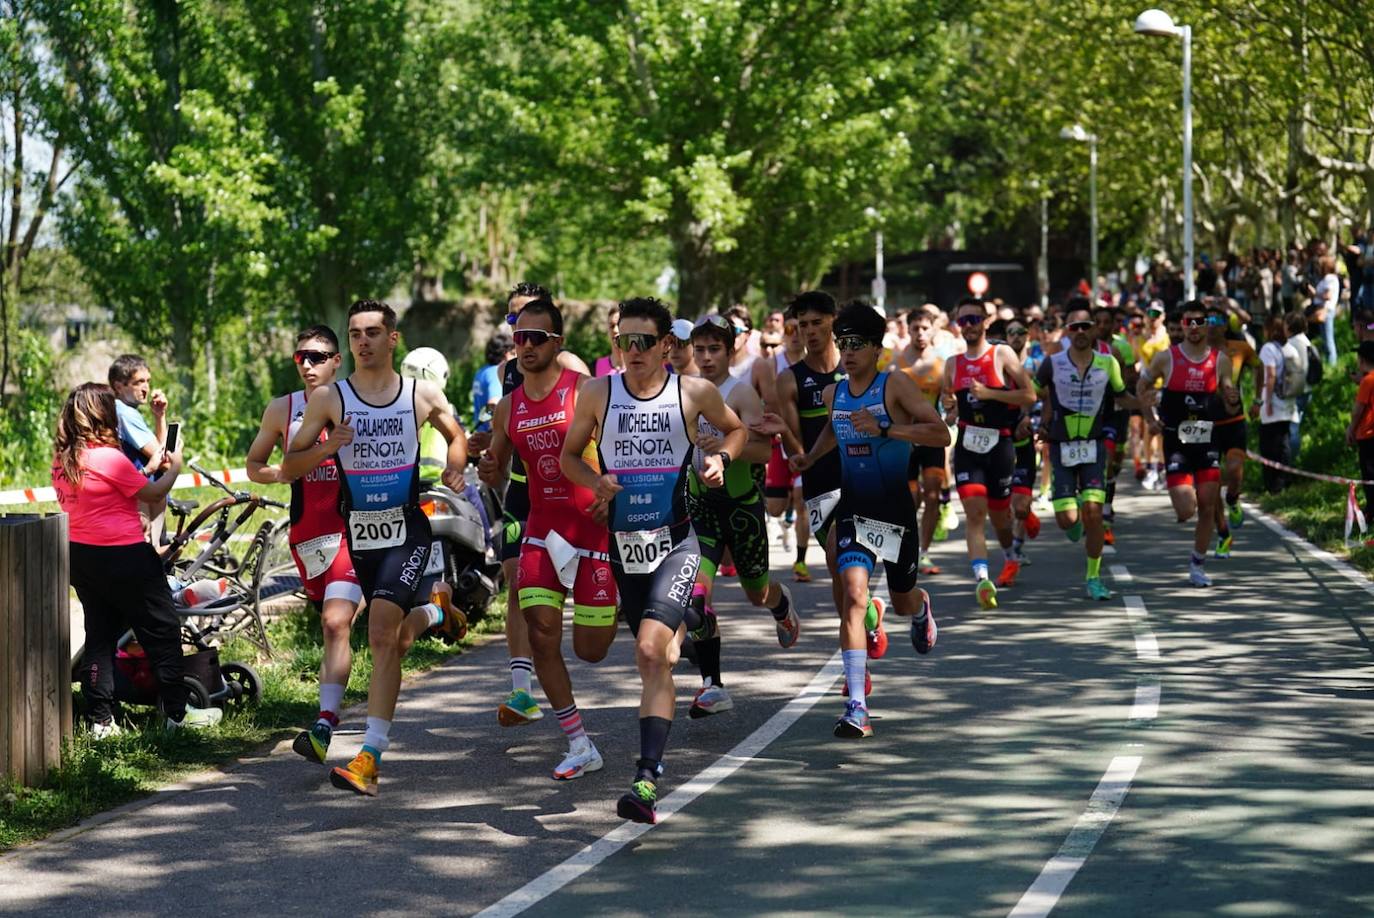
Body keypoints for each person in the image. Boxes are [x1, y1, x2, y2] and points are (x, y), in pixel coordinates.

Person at [560, 296, 748, 825]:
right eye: (623, 340)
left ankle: (645, 780)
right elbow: (568, 457)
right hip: (626, 547)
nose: (631, 351)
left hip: (678, 542)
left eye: (643, 342)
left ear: (667, 346)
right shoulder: (599, 392)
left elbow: (737, 430)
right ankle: (697, 619)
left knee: (648, 652)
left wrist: (720, 458)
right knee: (662, 657)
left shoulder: (693, 392)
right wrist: (594, 479)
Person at [284, 299, 468, 797]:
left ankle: (369, 757)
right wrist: (327, 446)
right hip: (359, 536)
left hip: (408, 531)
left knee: (383, 635)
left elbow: (457, 435)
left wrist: (455, 465)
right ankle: (435, 613)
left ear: (393, 339)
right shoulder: (329, 400)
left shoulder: (420, 395)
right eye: (354, 333)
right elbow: (289, 467)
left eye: (372, 332)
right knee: (395, 639)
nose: (362, 341)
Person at [792, 302, 946, 738]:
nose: (848, 351)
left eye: (857, 343)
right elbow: (831, 430)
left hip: (896, 513)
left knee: (900, 600)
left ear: (877, 348)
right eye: (843, 343)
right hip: (855, 512)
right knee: (854, 598)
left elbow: (940, 433)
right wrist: (809, 456)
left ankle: (920, 608)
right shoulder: (833, 393)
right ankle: (856, 705)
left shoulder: (894, 385)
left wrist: (886, 430)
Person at [479, 298, 618, 780]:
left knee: (592, 650)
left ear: (558, 343)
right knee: (541, 635)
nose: (527, 346)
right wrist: (489, 467)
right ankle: (579, 743)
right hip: (542, 529)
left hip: (592, 529)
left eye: (538, 338)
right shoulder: (507, 407)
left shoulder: (587, 391)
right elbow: (496, 469)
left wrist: (611, 493)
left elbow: (623, 451)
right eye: (520, 337)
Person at [53, 383, 221, 735]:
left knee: (99, 635)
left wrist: (146, 468)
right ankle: (177, 714)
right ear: (104, 414)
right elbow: (156, 491)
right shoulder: (108, 457)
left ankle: (100, 720)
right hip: (125, 555)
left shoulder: (65, 460)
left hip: (82, 556)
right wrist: (173, 466)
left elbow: (113, 488)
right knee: (162, 630)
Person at [469, 283, 591, 728]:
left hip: (578, 499)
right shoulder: (508, 374)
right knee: (516, 576)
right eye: (513, 327)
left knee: (592, 631)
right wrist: (489, 451)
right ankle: (522, 690)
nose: (522, 339)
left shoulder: (575, 372)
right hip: (525, 490)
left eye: (531, 329)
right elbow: (507, 428)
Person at [245, 326, 364, 763]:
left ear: (337, 360)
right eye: (301, 358)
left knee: (336, 622)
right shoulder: (283, 408)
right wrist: (286, 471)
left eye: (318, 357)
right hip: (307, 536)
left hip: (355, 532)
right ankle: (436, 609)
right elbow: (255, 464)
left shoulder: (357, 402)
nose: (308, 366)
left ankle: (323, 724)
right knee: (331, 623)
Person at [681, 315, 801, 718]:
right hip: (701, 510)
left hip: (741, 509)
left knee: (756, 593)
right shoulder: (683, 391)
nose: (706, 357)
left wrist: (726, 448)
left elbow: (765, 453)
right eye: (699, 349)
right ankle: (713, 686)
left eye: (714, 349)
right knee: (694, 599)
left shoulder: (742, 393)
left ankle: (780, 603)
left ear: (730, 350)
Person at [760, 291, 886, 660]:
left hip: (865, 478)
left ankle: (855, 659)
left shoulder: (857, 368)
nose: (809, 332)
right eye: (803, 324)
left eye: (817, 322)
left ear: (834, 321)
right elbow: (796, 446)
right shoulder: (789, 380)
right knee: (838, 570)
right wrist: (795, 451)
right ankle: (864, 626)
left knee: (844, 560)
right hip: (820, 484)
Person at [942, 296, 1037, 609]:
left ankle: (1010, 554)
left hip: (1001, 443)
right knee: (974, 513)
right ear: (958, 326)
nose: (968, 326)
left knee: (1000, 517)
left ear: (984, 322)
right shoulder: (952, 364)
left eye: (974, 320)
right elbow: (949, 404)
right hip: (969, 444)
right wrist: (951, 410)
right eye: (963, 321)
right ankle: (982, 577)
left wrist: (990, 393)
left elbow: (1029, 393)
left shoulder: (1001, 353)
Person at [1138, 301, 1240, 587]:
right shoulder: (1165, 358)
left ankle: (1197, 564)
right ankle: (1194, 532)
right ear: (1181, 325)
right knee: (1187, 509)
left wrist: (1232, 398)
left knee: (1208, 504)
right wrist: (1150, 418)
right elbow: (1141, 387)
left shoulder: (1219, 360)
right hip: (1176, 442)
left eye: (1199, 322)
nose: (1194, 328)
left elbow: (1230, 397)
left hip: (1207, 439)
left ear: (1207, 325)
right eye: (1188, 322)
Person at [1035, 307, 1132, 600]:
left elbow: (1122, 396)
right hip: (1061, 445)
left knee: (1093, 514)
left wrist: (1148, 410)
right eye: (1074, 327)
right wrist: (1031, 419)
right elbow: (1034, 391)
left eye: (1085, 327)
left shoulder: (1108, 362)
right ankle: (1072, 517)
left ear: (1093, 330)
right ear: (1067, 330)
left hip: (1094, 446)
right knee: (1067, 519)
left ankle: (1093, 577)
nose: (1080, 332)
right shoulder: (1051, 363)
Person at [1207, 303, 1259, 553]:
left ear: (1226, 326)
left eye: (1217, 321)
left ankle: (1233, 499)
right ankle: (1223, 533)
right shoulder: (1196, 354)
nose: (1212, 325)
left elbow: (1260, 368)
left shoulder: (1240, 349)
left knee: (1235, 472)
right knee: (1211, 483)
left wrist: (1258, 399)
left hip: (1234, 420)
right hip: (1207, 425)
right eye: (1209, 321)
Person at [898, 311, 947, 575]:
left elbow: (949, 402)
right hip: (904, 438)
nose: (920, 333)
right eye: (915, 328)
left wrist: (951, 411)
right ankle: (907, 543)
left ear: (932, 331)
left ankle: (924, 553)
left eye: (925, 328)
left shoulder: (941, 365)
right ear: (908, 329)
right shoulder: (895, 363)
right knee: (910, 497)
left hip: (930, 438)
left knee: (932, 495)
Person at [108, 354, 170, 544]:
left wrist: (159, 416)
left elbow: (160, 451)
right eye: (138, 382)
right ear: (119, 386)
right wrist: (174, 461)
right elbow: (165, 459)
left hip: (139, 493)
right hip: (142, 496)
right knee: (152, 553)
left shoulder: (117, 409)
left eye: (148, 381)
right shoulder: (126, 413)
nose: (146, 388)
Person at [1252, 312, 1299, 494]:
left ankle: (1273, 485)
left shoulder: (1268, 349)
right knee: (1284, 443)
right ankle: (1284, 481)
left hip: (1274, 404)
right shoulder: (1290, 348)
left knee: (1270, 446)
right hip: (1288, 401)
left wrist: (1266, 401)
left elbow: (1269, 375)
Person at [1347, 341, 1374, 525]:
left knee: (1369, 476)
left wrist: (1350, 429)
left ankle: (1371, 511)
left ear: (1362, 360)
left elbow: (1358, 410)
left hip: (1367, 435)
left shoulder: (1368, 381)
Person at [472, 328, 514, 432]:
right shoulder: (496, 373)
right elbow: (493, 404)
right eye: (513, 353)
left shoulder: (481, 372)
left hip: (479, 433)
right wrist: (495, 435)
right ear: (505, 354)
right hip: (490, 438)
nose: (516, 357)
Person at [1284, 310, 1314, 461]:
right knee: (1295, 426)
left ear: (1289, 326)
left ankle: (1290, 462)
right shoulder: (1306, 340)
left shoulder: (1291, 343)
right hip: (1307, 389)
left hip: (1296, 391)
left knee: (1292, 429)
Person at [1314, 255, 1341, 364]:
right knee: (1325, 339)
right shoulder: (1328, 278)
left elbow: (1328, 295)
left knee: (1328, 339)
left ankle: (1332, 365)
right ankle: (1329, 362)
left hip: (1326, 310)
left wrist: (1314, 294)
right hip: (1324, 310)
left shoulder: (1330, 278)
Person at [592, 304, 624, 377]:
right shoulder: (596, 366)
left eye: (619, 325)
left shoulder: (638, 366)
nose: (615, 330)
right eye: (612, 326)